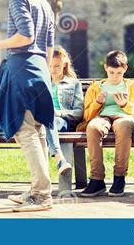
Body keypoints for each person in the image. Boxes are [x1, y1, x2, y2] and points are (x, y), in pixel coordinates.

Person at [0, 0, 55, 212]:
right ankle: (38, 189)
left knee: (25, 131)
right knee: (38, 130)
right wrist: (43, 73)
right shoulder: (42, 0)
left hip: (22, 69)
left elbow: (25, 36)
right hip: (39, 71)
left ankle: (42, 195)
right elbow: (48, 44)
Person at [77, 50, 134, 198]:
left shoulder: (132, 86)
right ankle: (97, 179)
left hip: (124, 117)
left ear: (125, 69)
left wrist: (125, 105)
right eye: (111, 72)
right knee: (93, 127)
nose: (115, 77)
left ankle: (119, 178)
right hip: (102, 116)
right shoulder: (95, 87)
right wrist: (98, 102)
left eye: (119, 73)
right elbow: (87, 115)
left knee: (124, 126)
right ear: (106, 67)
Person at [46, 46, 83, 175]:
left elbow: (79, 112)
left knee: (49, 120)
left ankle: (58, 159)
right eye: (50, 66)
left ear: (64, 64)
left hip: (62, 122)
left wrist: (59, 113)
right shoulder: (42, 83)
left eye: (57, 66)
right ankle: (59, 161)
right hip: (41, 122)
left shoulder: (73, 83)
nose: (53, 70)